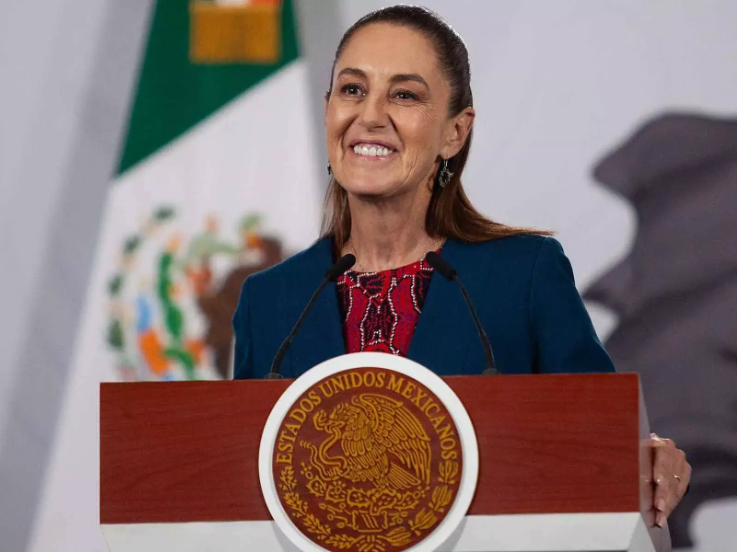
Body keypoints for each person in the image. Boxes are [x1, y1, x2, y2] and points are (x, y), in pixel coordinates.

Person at [231, 5, 690, 525]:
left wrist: (649, 454)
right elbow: (246, 493)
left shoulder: (524, 275)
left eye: (404, 94)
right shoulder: (270, 302)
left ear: (455, 131)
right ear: (329, 108)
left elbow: (602, 443)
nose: (370, 115)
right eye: (352, 89)